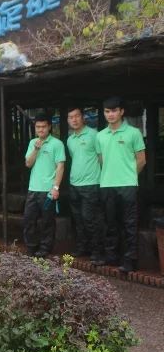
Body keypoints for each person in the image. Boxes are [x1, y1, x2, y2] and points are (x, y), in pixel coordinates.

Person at [95, 97, 146, 273]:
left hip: (127, 185)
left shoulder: (134, 133)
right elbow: (101, 160)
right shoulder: (100, 135)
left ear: (122, 111)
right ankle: (112, 257)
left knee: (129, 224)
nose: (110, 114)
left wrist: (129, 176)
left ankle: (130, 261)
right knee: (110, 223)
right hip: (107, 184)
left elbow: (141, 160)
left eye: (114, 111)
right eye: (107, 111)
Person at [23, 113, 66, 258]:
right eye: (38, 127)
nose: (40, 129)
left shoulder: (57, 144)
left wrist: (55, 187)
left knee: (47, 221)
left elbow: (60, 167)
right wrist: (36, 149)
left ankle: (45, 248)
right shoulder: (32, 143)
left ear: (49, 127)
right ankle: (31, 247)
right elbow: (28, 164)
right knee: (29, 219)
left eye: (43, 127)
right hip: (33, 188)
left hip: (48, 190)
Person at [66, 107, 104, 264]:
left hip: (92, 184)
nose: (74, 120)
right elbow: (75, 158)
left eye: (76, 116)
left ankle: (97, 252)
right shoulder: (69, 139)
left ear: (83, 117)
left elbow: (101, 158)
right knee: (78, 219)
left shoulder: (94, 135)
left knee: (90, 219)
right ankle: (83, 247)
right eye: (70, 117)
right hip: (74, 184)